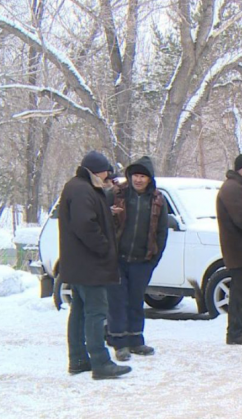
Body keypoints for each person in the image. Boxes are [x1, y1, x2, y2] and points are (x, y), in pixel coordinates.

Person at [60, 151, 132, 379]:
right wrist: (105, 248)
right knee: (96, 313)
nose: (108, 175)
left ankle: (79, 360)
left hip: (80, 265)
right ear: (96, 170)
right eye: (106, 171)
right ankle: (100, 362)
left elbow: (87, 218)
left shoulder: (78, 187)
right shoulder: (83, 189)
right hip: (91, 264)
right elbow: (85, 225)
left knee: (80, 312)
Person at [107, 156, 168, 362]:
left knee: (135, 301)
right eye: (135, 176)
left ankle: (136, 340)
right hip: (118, 259)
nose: (139, 180)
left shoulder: (158, 199)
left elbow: (162, 233)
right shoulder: (117, 195)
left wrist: (153, 261)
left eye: (143, 176)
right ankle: (119, 342)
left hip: (142, 261)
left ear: (150, 179)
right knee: (118, 302)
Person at [216, 154, 242, 346]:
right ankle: (236, 332)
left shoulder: (238, 186)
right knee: (240, 293)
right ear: (238, 168)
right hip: (237, 249)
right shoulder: (233, 188)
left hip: (241, 248)